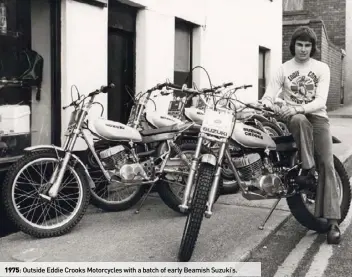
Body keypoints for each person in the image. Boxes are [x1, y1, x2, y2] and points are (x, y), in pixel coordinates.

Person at [260, 26, 341, 244]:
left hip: (318, 118)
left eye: (307, 45)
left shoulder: (322, 68)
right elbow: (268, 95)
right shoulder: (283, 69)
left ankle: (333, 223)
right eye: (299, 45)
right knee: (297, 120)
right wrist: (266, 104)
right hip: (294, 120)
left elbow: (321, 101)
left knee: (327, 163)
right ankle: (307, 167)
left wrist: (296, 107)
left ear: (312, 48)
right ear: (293, 45)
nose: (303, 49)